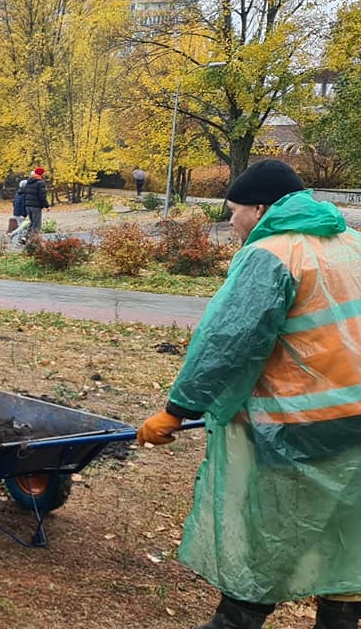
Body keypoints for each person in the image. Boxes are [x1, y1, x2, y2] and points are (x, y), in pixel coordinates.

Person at [136, 159, 361, 629]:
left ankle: (236, 621)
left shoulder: (272, 254)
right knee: (346, 531)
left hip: (299, 427)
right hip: (356, 424)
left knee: (273, 528)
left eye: (234, 211)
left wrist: (176, 411)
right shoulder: (352, 243)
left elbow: (228, 342)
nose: (232, 222)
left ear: (260, 208)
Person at [20, 167, 49, 239]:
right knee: (36, 225)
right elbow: (42, 196)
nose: (44, 174)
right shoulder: (40, 182)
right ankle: (35, 241)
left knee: (32, 223)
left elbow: (25, 193)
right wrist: (46, 206)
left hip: (28, 206)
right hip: (35, 206)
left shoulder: (29, 182)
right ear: (41, 173)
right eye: (43, 173)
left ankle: (25, 238)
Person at [9, 178, 30, 245]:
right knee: (22, 227)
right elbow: (24, 205)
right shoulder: (25, 195)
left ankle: (20, 239)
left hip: (16, 212)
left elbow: (14, 203)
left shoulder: (17, 193)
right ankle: (13, 234)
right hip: (21, 213)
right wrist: (24, 214)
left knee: (22, 226)